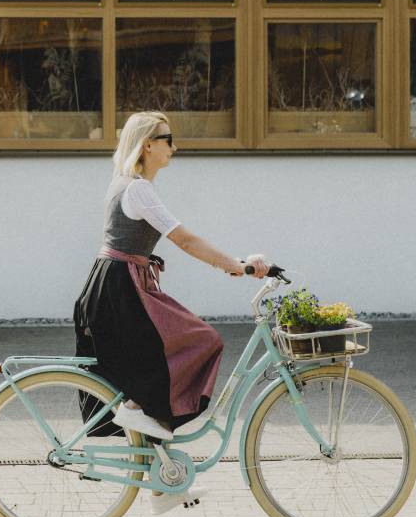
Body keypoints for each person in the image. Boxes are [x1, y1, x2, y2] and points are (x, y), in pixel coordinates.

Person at [75, 111, 270, 451]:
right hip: (121, 287)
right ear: (148, 144)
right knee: (200, 340)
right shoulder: (137, 190)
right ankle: (136, 409)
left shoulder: (128, 184)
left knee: (168, 352)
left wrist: (230, 264)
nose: (174, 146)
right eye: (168, 139)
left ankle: (164, 479)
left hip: (120, 283)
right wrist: (239, 267)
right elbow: (186, 240)